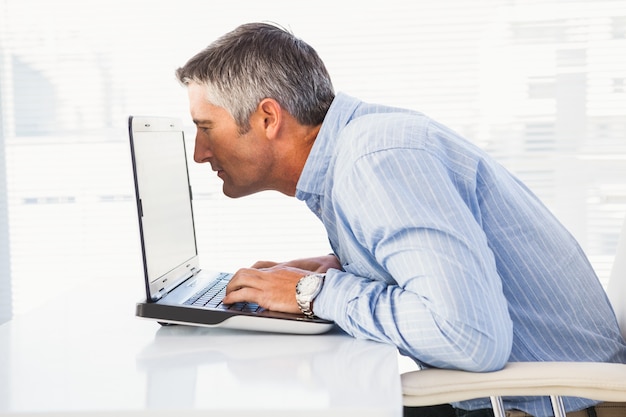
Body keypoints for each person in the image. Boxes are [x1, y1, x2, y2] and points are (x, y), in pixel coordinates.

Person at [175, 22, 626, 417]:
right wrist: (341, 266)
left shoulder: (377, 160)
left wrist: (312, 292)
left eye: (206, 127)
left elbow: (469, 337)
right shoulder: (365, 146)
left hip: (555, 406)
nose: (199, 153)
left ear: (268, 117)